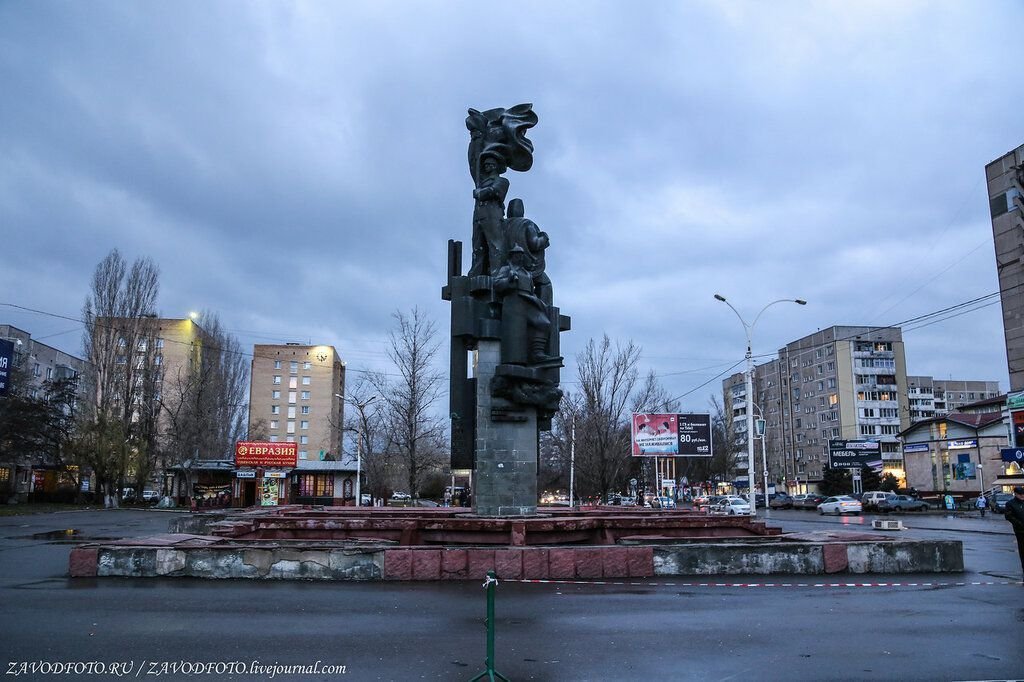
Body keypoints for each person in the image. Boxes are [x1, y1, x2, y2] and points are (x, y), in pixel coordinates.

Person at [1004, 486, 1024, 581]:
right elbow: (1009, 516)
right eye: (1020, 494)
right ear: (1015, 494)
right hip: (1020, 531)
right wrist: (1019, 524)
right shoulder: (1010, 504)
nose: (1022, 496)